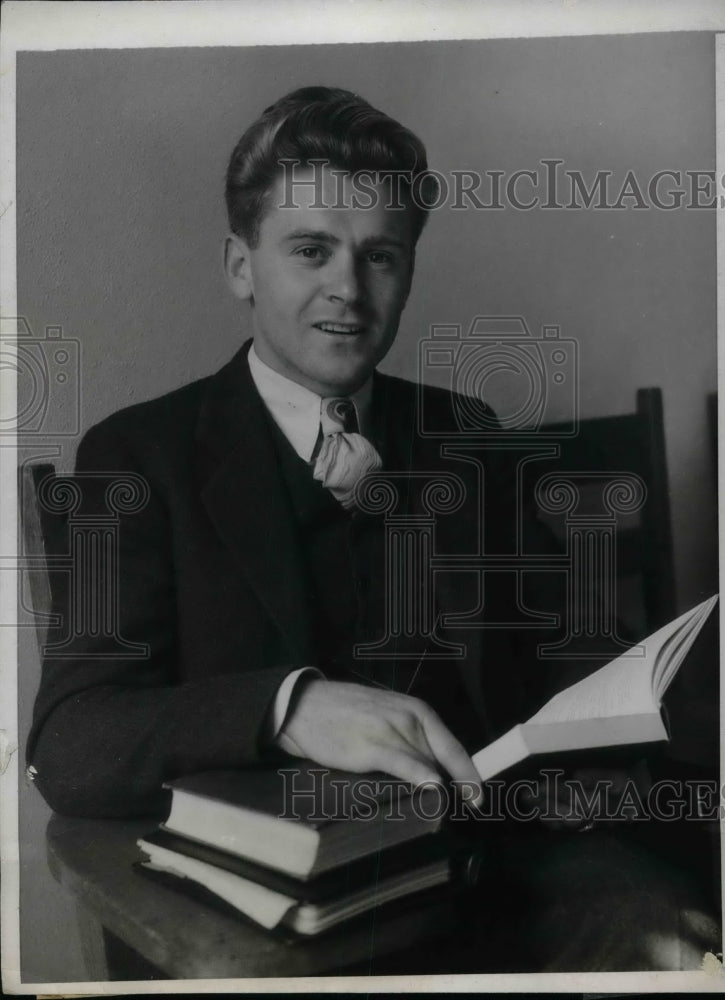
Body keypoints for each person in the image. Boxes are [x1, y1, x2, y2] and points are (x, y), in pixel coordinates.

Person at [26, 86, 719, 971]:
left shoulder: (464, 428)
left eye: (379, 257)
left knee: (671, 937)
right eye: (310, 250)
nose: (347, 291)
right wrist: (290, 706)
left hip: (496, 865)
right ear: (241, 265)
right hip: (283, 896)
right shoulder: (135, 452)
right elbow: (70, 740)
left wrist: (607, 744)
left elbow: (559, 647)